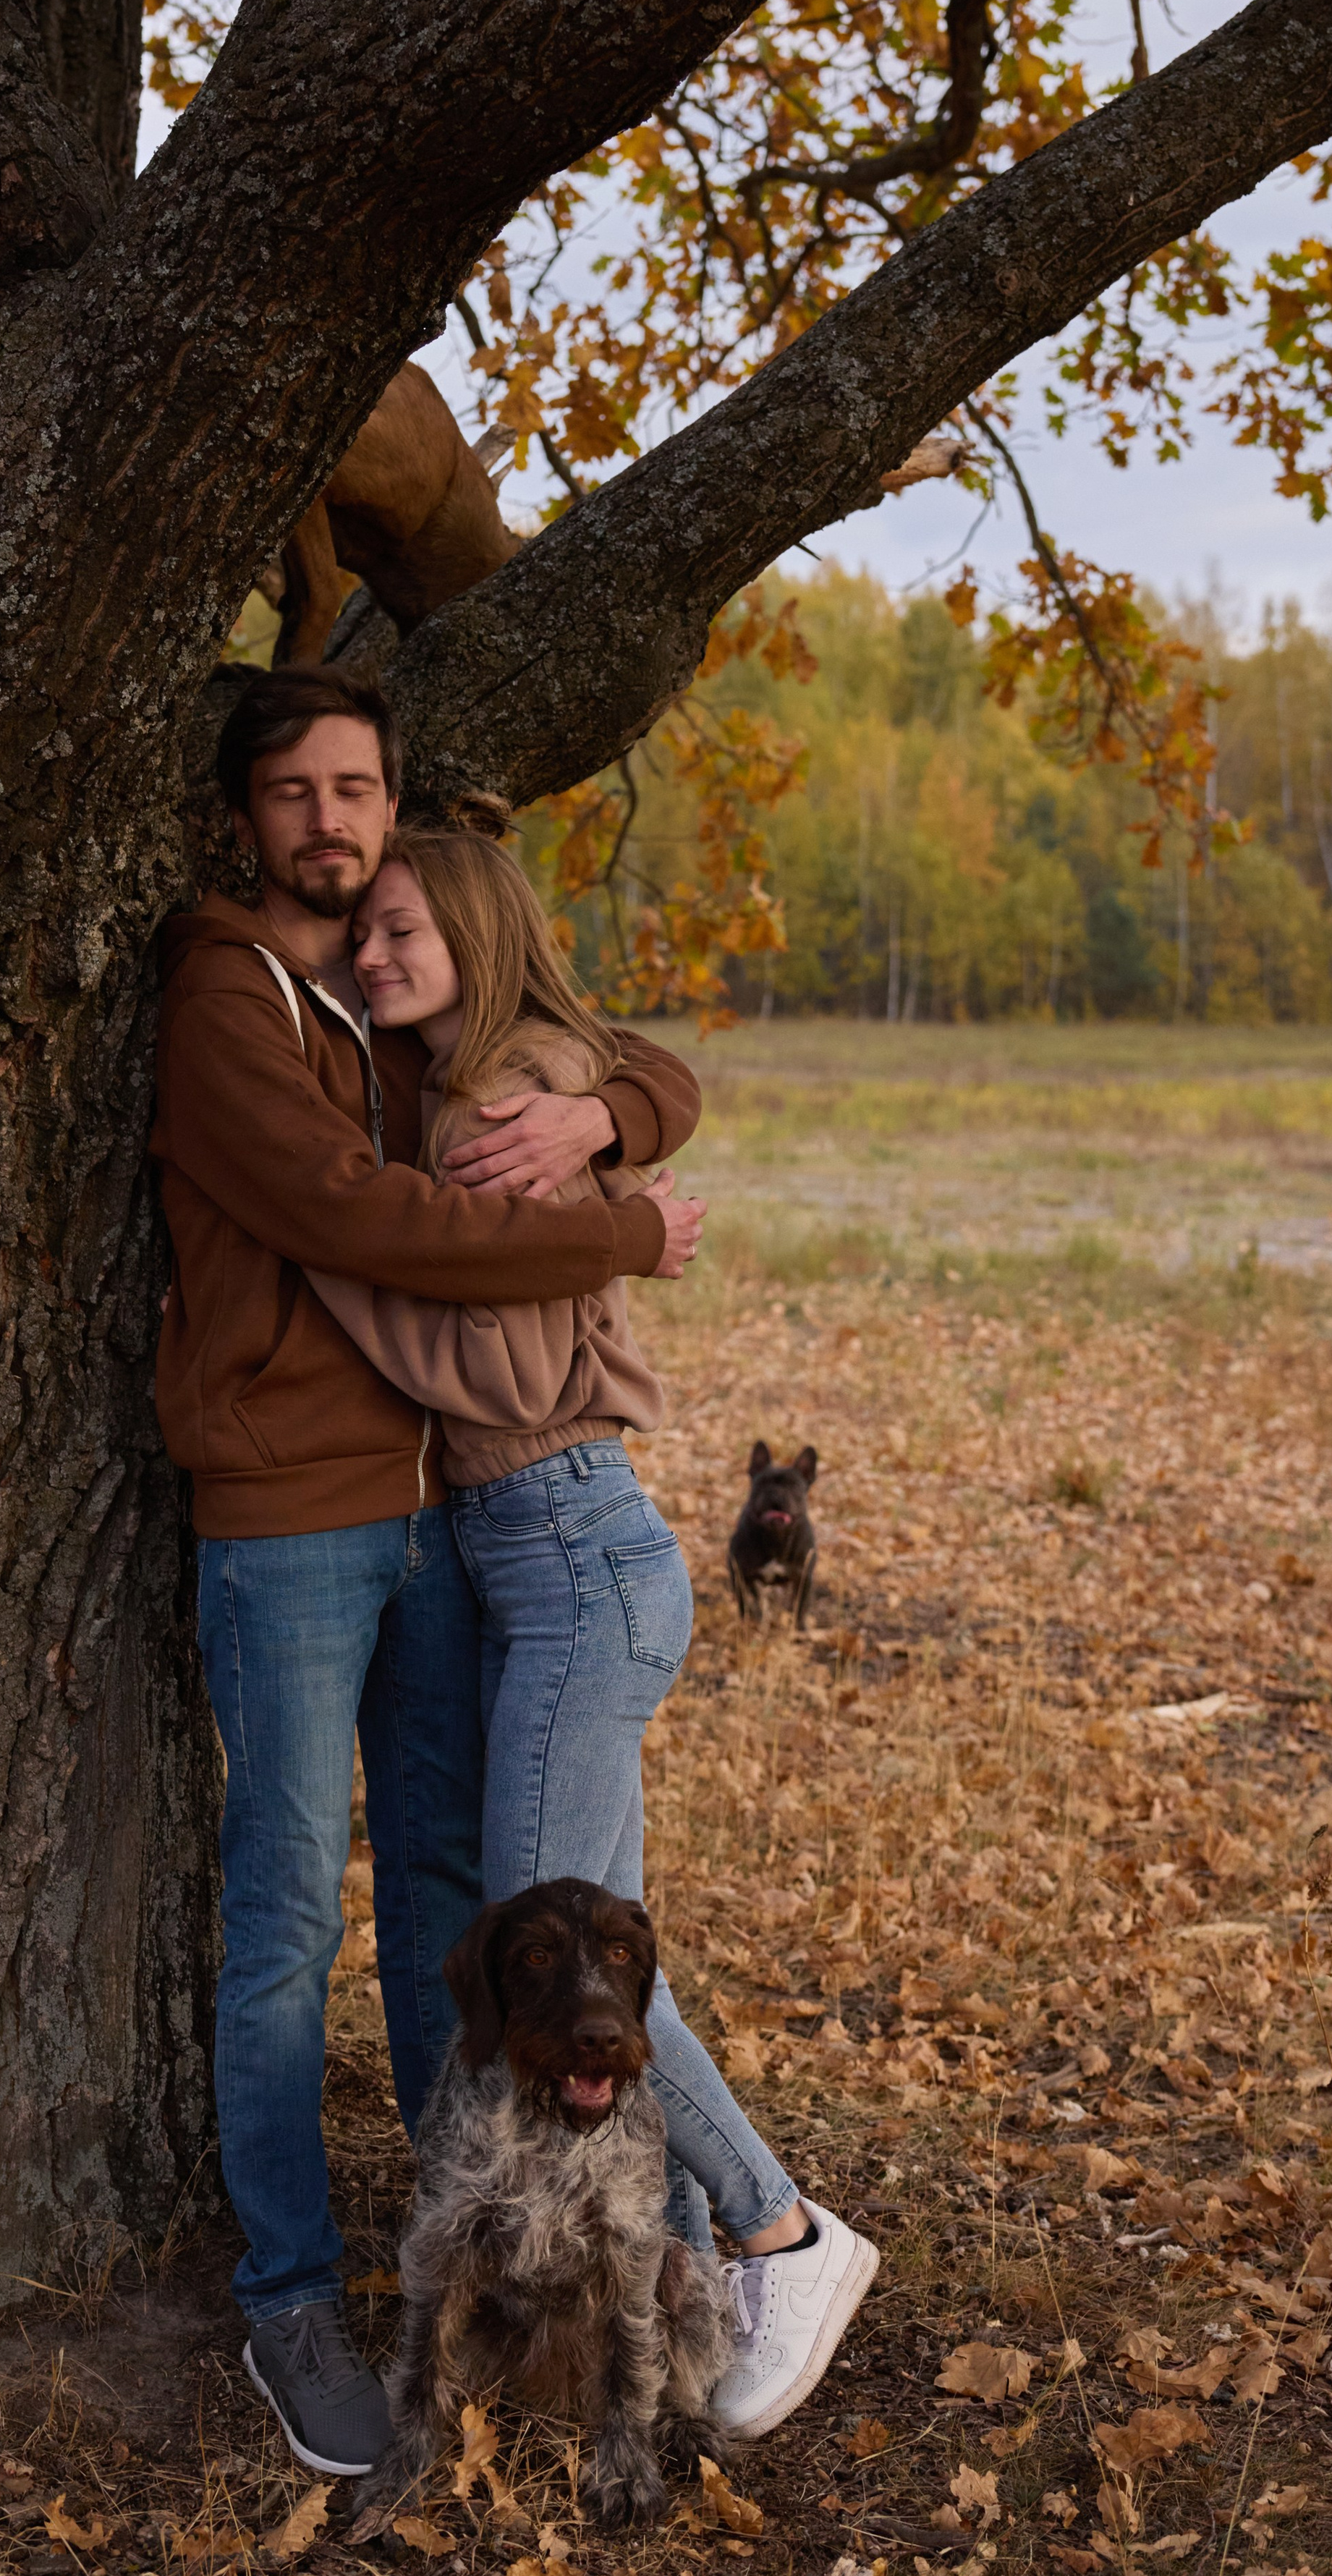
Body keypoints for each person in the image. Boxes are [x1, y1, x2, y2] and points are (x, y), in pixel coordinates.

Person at [150, 666, 708, 2478]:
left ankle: (469, 2249)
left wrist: (604, 1119)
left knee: (452, 1918)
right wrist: (619, 1221)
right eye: (295, 791)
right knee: (288, 1917)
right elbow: (355, 1218)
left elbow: (631, 1058)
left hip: (448, 1526)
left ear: (393, 813)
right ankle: (290, 2295)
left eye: (357, 791)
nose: (329, 822)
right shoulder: (227, 996)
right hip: (295, 1517)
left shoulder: (394, 996)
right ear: (246, 813)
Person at [306, 823, 879, 2441]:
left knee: (557, 1961)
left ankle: (783, 2230)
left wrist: (330, 1256)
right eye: (361, 934)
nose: (371, 954)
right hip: (539, 1555)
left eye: (402, 925)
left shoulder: (500, 1104)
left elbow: (491, 1375)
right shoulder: (495, 1084)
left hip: (570, 1547)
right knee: (581, 1943)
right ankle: (688, 2285)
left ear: (475, 930)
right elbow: (643, 1087)